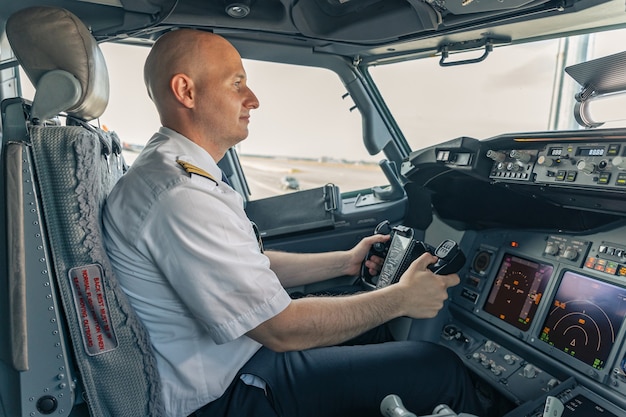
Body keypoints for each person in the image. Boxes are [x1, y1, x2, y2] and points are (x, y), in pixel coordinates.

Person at [102, 28, 483, 417]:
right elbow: (280, 329)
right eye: (237, 84)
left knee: (372, 326)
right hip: (224, 394)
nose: (253, 100)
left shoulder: (171, 171)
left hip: (236, 359)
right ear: (186, 91)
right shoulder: (180, 194)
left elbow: (247, 265)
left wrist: (344, 262)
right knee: (439, 369)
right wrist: (401, 298)